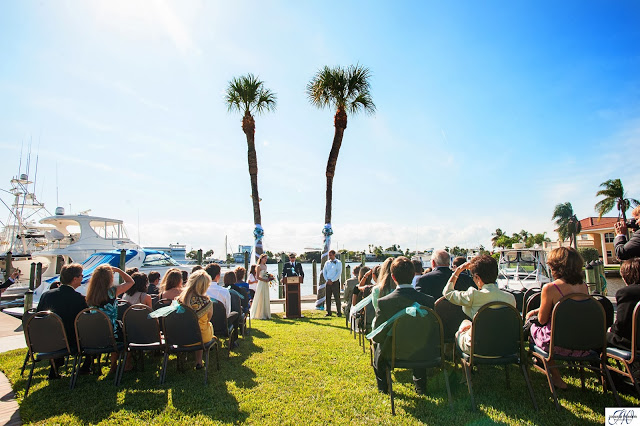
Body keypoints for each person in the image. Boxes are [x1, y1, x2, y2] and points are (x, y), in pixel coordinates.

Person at [526, 247, 590, 390]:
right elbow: (571, 308)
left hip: (557, 344)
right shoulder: (583, 287)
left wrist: (533, 314)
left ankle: (555, 377)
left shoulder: (550, 288)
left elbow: (542, 320)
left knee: (532, 328)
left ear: (556, 266)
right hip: (581, 341)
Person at [371, 256, 435, 394]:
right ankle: (421, 386)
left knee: (377, 347)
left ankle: (383, 388)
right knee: (418, 338)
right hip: (424, 352)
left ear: (393, 277)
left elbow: (378, 336)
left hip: (394, 353)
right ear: (413, 275)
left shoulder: (384, 302)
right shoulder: (428, 300)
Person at [443, 255, 516, 355]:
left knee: (460, 331)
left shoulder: (473, 295)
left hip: (478, 347)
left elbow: (447, 292)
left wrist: (458, 271)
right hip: (505, 346)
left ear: (477, 277)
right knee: (466, 323)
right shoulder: (510, 298)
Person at [36, 263, 90, 378]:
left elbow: (39, 317)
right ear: (75, 279)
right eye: (81, 275)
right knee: (91, 333)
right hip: (70, 341)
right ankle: (86, 366)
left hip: (47, 339)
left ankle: (54, 368)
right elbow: (86, 319)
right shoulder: (78, 298)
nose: (82, 278)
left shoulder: (46, 295)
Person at [85, 264, 134, 373]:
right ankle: (124, 364)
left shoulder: (90, 294)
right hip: (112, 331)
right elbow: (131, 282)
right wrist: (119, 270)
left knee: (117, 328)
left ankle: (114, 365)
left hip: (94, 332)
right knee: (127, 333)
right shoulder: (112, 291)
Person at [177, 269, 214, 369]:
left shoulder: (179, 300)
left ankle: (183, 357)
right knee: (203, 327)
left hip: (181, 336)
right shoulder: (207, 302)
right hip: (200, 338)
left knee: (195, 328)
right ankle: (198, 361)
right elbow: (209, 319)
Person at [607, 258, 640, 351]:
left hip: (633, 344)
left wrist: (611, 330)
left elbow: (621, 324)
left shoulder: (626, 293)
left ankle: (598, 364)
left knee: (602, 337)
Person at [250, 254, 271, 320]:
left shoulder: (265, 266)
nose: (266, 260)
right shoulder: (258, 266)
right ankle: (259, 313)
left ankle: (266, 312)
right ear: (261, 259)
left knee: (265, 296)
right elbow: (257, 277)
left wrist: (269, 278)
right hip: (261, 283)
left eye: (266, 259)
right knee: (260, 296)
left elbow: (266, 274)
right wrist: (264, 280)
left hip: (265, 283)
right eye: (265, 258)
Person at [322, 250, 342, 317]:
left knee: (337, 297)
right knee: (328, 297)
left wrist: (333, 280)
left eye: (330, 255)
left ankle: (339, 312)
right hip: (328, 281)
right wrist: (327, 280)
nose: (329, 256)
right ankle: (328, 311)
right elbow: (324, 272)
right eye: (329, 255)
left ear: (334, 255)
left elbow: (338, 273)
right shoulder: (327, 263)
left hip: (335, 282)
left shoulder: (338, 262)